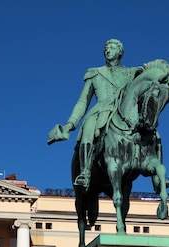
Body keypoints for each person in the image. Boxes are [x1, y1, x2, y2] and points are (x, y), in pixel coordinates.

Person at [48, 39, 140, 192]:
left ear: (120, 52)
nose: (107, 50)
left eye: (111, 47)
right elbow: (83, 101)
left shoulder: (131, 74)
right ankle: (85, 173)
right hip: (100, 113)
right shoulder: (95, 73)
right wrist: (70, 125)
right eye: (106, 48)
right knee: (88, 131)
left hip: (124, 115)